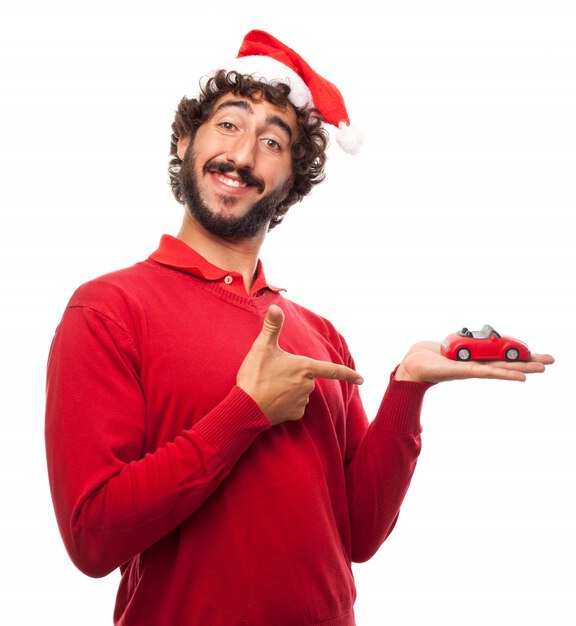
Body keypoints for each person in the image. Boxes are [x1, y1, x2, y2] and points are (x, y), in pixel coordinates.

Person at [45, 30, 553, 626]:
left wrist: (407, 386)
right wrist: (246, 411)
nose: (242, 156)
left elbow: (359, 534)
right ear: (186, 141)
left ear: (290, 183)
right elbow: (92, 538)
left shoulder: (320, 333)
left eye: (272, 142)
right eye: (228, 126)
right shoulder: (108, 308)